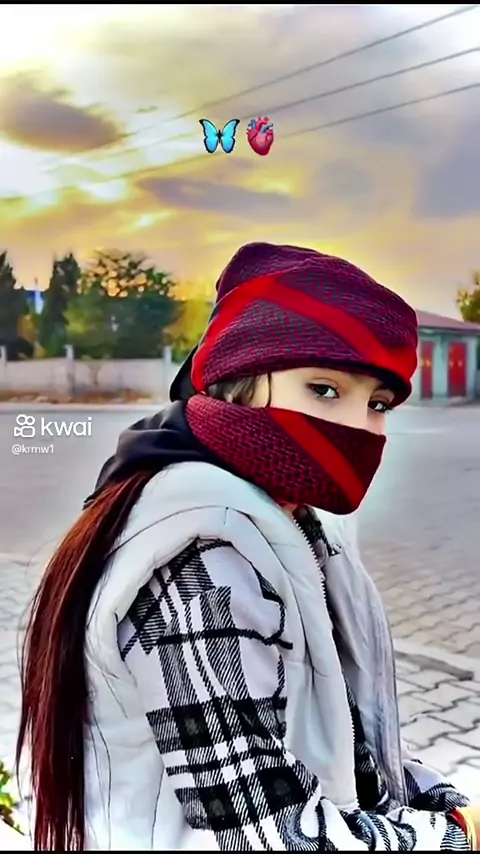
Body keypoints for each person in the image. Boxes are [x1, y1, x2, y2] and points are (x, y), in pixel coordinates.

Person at [17, 243, 480, 851]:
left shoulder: (292, 521)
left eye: (377, 404)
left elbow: (343, 730)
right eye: (323, 389)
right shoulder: (200, 558)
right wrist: (453, 838)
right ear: (239, 386)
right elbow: (268, 834)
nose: (358, 427)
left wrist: (437, 801)